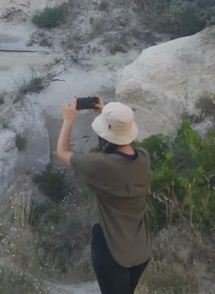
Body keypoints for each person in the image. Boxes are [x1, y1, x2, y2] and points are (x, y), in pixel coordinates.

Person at [55, 96, 151, 294]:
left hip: (112, 249)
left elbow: (62, 152)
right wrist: (109, 117)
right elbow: (122, 144)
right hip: (140, 248)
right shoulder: (143, 158)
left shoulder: (99, 165)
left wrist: (68, 121)